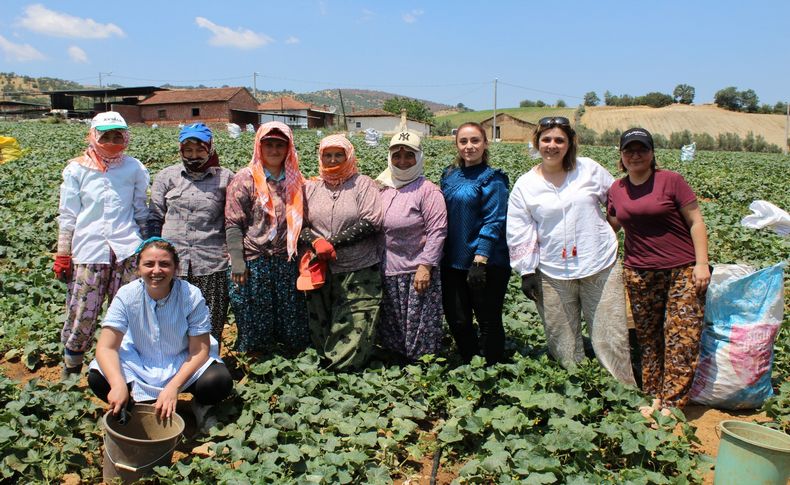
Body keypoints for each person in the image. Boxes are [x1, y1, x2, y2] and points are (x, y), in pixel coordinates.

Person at [507, 117, 635, 385]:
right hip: (552, 272)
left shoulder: (588, 169)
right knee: (563, 343)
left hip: (600, 264)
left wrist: (610, 231)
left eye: (559, 140)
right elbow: (520, 229)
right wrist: (527, 271)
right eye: (546, 140)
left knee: (610, 336)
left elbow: (617, 201)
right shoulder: (526, 185)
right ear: (537, 143)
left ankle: (623, 395)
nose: (552, 145)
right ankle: (577, 392)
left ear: (569, 144)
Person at [607, 127, 710, 412]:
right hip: (639, 272)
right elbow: (610, 228)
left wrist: (701, 263)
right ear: (622, 156)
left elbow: (696, 222)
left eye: (642, 149)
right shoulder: (617, 189)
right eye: (629, 150)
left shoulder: (671, 181)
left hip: (682, 270)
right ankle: (653, 395)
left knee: (682, 337)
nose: (635, 155)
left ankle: (673, 403)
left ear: (652, 153)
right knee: (648, 337)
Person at [88, 238, 233, 426]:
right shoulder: (126, 295)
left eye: (164, 264)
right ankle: (131, 404)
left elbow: (199, 350)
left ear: (175, 268)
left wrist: (173, 387)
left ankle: (201, 406)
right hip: (139, 363)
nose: (156, 271)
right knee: (98, 378)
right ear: (138, 267)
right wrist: (117, 384)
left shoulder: (191, 295)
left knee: (218, 381)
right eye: (149, 264)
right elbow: (106, 348)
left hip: (181, 361)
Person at [54, 112, 149, 376]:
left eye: (117, 135)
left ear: (126, 137)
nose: (112, 140)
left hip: (127, 249)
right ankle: (72, 363)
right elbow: (69, 214)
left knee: (127, 310)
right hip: (89, 250)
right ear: (94, 136)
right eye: (105, 135)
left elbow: (140, 209)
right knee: (83, 309)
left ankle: (122, 366)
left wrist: (146, 246)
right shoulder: (77, 169)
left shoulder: (134, 168)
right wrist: (63, 253)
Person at [300, 134, 383, 370]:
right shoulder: (312, 187)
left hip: (359, 268)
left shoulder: (363, 184)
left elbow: (371, 221)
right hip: (319, 267)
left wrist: (332, 243)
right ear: (321, 157)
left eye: (339, 155)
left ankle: (343, 372)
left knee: (357, 324)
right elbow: (299, 224)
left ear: (349, 157)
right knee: (321, 322)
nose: (333, 159)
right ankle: (326, 370)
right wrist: (316, 243)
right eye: (328, 155)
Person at [224, 121, 308, 353]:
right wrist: (238, 262)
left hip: (285, 259)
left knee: (290, 316)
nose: (274, 150)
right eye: (268, 144)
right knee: (253, 316)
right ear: (259, 147)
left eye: (279, 145)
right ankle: (256, 365)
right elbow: (233, 222)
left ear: (288, 148)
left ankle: (289, 365)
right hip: (253, 259)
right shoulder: (245, 179)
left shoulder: (296, 180)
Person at [147, 123, 234, 345]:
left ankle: (206, 367)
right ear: (181, 150)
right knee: (169, 320)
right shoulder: (168, 176)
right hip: (172, 264)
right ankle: (173, 366)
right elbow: (155, 217)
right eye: (188, 150)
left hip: (211, 263)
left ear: (210, 149)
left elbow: (233, 220)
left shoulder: (225, 178)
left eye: (199, 150)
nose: (194, 156)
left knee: (209, 321)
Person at [441, 122, 510, 364]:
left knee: (488, 319)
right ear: (457, 145)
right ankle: (471, 363)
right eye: (463, 141)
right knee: (457, 319)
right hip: (452, 260)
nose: (469, 146)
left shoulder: (494, 179)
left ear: (485, 144)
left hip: (485, 262)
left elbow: (495, 220)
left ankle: (493, 368)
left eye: (475, 141)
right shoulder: (449, 175)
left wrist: (480, 260)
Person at [376, 130, 447, 361]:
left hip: (416, 272)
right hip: (387, 269)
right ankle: (397, 369)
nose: (403, 161)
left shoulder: (427, 190)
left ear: (419, 157)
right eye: (397, 155)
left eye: (409, 155)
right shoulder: (382, 186)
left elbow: (437, 231)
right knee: (393, 323)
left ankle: (421, 370)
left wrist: (425, 266)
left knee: (419, 327)